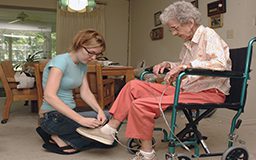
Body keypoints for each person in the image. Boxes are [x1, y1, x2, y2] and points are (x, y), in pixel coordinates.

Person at [76, 1, 231, 159]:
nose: (174, 33)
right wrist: (170, 64)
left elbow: (220, 63)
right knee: (133, 86)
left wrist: (185, 67)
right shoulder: (188, 44)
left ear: (190, 22)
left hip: (207, 92)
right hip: (186, 89)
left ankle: (147, 152)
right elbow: (187, 65)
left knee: (141, 104)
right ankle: (110, 129)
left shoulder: (208, 34)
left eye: (175, 28)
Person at [36, 29, 112, 155]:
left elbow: (86, 92)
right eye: (91, 53)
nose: (93, 58)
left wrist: (99, 110)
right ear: (79, 45)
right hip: (52, 116)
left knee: (109, 118)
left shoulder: (83, 65)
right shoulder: (60, 61)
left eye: (97, 55)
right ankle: (55, 135)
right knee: (102, 137)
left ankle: (64, 137)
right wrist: (81, 120)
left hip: (70, 113)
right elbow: (49, 96)